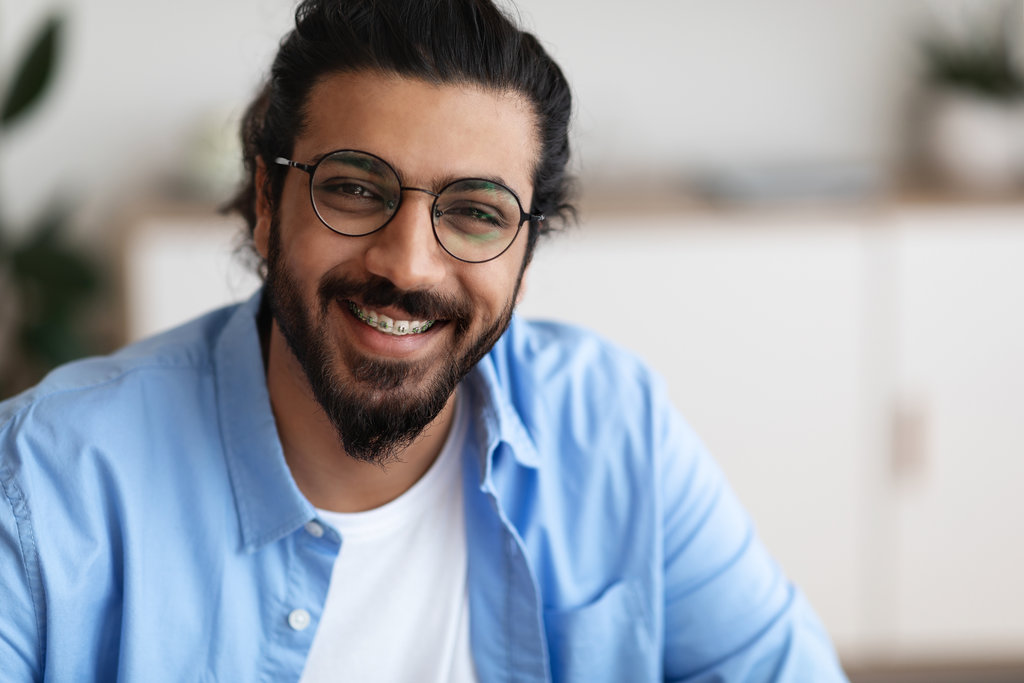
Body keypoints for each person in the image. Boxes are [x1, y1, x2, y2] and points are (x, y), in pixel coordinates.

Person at [0, 0, 849, 680]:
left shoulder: (614, 424)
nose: (407, 264)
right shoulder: (46, 481)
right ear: (267, 202)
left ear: (528, 247)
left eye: (476, 212)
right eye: (355, 190)